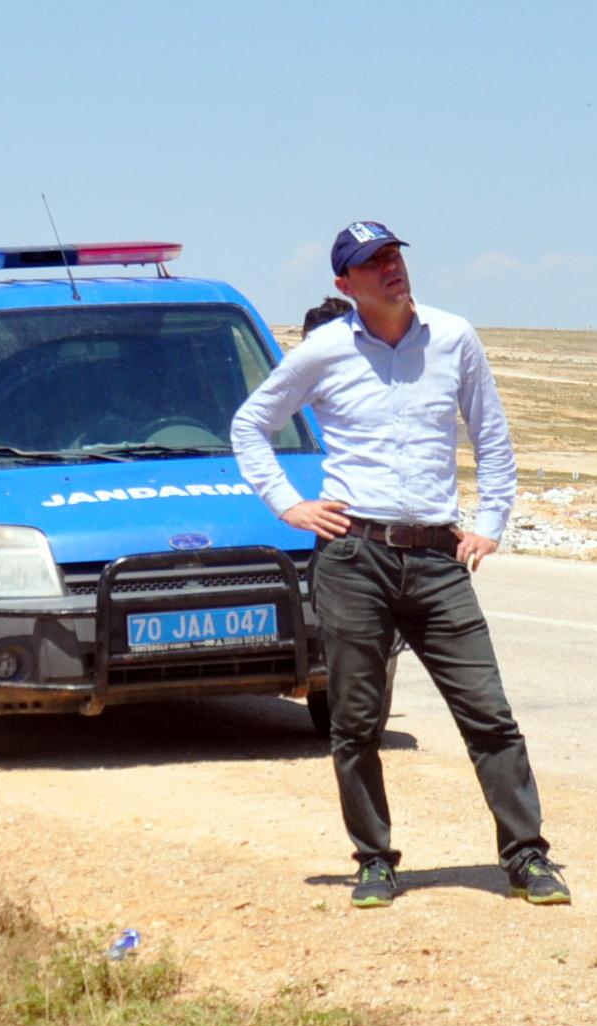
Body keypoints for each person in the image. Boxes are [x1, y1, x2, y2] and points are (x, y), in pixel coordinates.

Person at [232, 221, 568, 909]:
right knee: (355, 722)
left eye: (393, 254)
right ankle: (374, 861)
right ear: (344, 283)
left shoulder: (453, 337)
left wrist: (490, 523)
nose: (390, 267)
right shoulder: (323, 350)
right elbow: (249, 425)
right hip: (354, 556)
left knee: (488, 714)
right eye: (372, 261)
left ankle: (526, 856)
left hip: (438, 558)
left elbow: (491, 434)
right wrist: (289, 504)